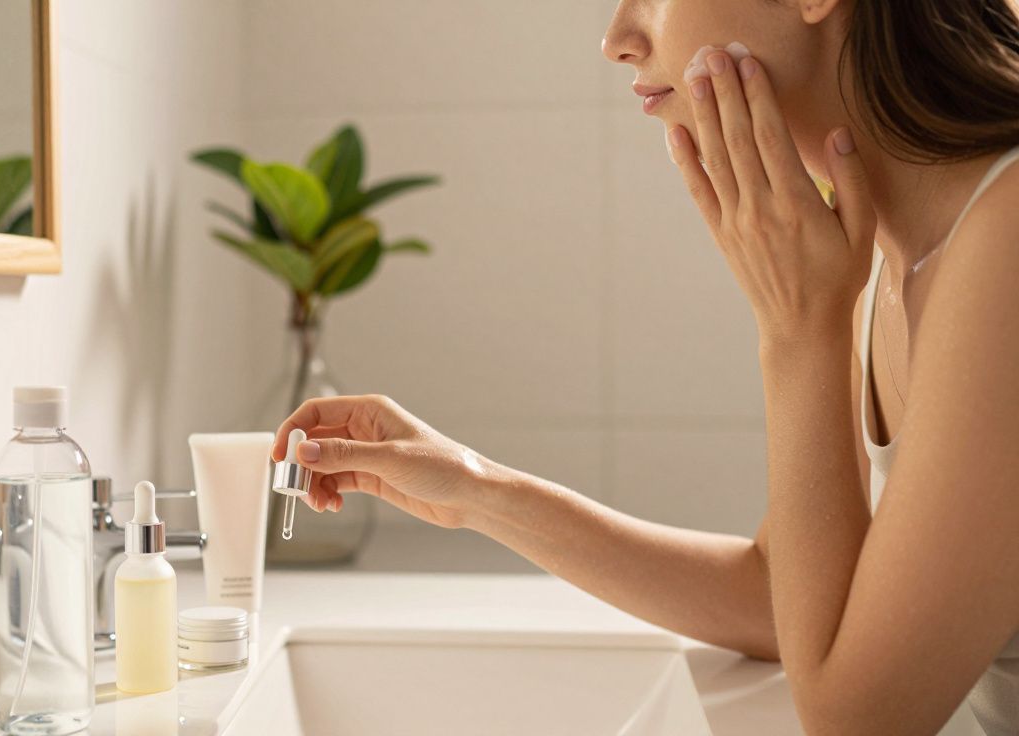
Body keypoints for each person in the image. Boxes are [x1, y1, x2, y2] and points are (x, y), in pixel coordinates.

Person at [271, 1, 1019, 733]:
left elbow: (860, 719)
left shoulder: (1004, 242)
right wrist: (473, 489)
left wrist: (799, 336)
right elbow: (784, 597)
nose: (616, 39)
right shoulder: (891, 248)